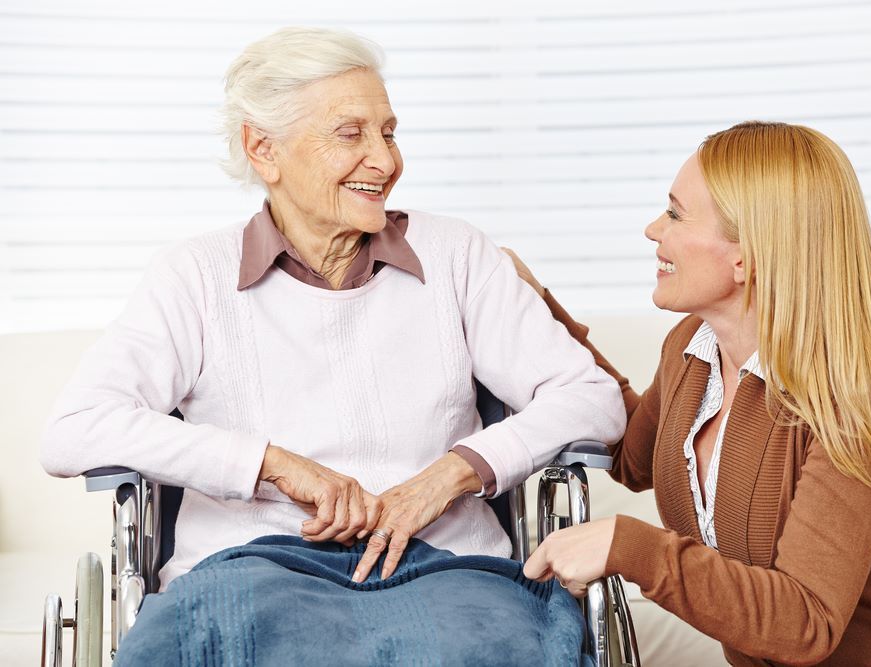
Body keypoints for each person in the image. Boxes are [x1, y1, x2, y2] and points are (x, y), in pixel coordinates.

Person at [40, 26, 625, 663]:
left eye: (390, 132)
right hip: (251, 565)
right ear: (264, 150)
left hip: (448, 569)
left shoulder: (457, 255)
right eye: (351, 134)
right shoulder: (195, 275)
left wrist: (450, 475)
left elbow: (592, 397)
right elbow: (75, 429)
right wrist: (273, 464)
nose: (385, 160)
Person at [513, 121, 871, 665]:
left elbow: (804, 624)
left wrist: (632, 547)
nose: (654, 230)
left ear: (746, 257)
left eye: (675, 214)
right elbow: (633, 457)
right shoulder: (692, 351)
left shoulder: (850, 397)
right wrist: (536, 308)